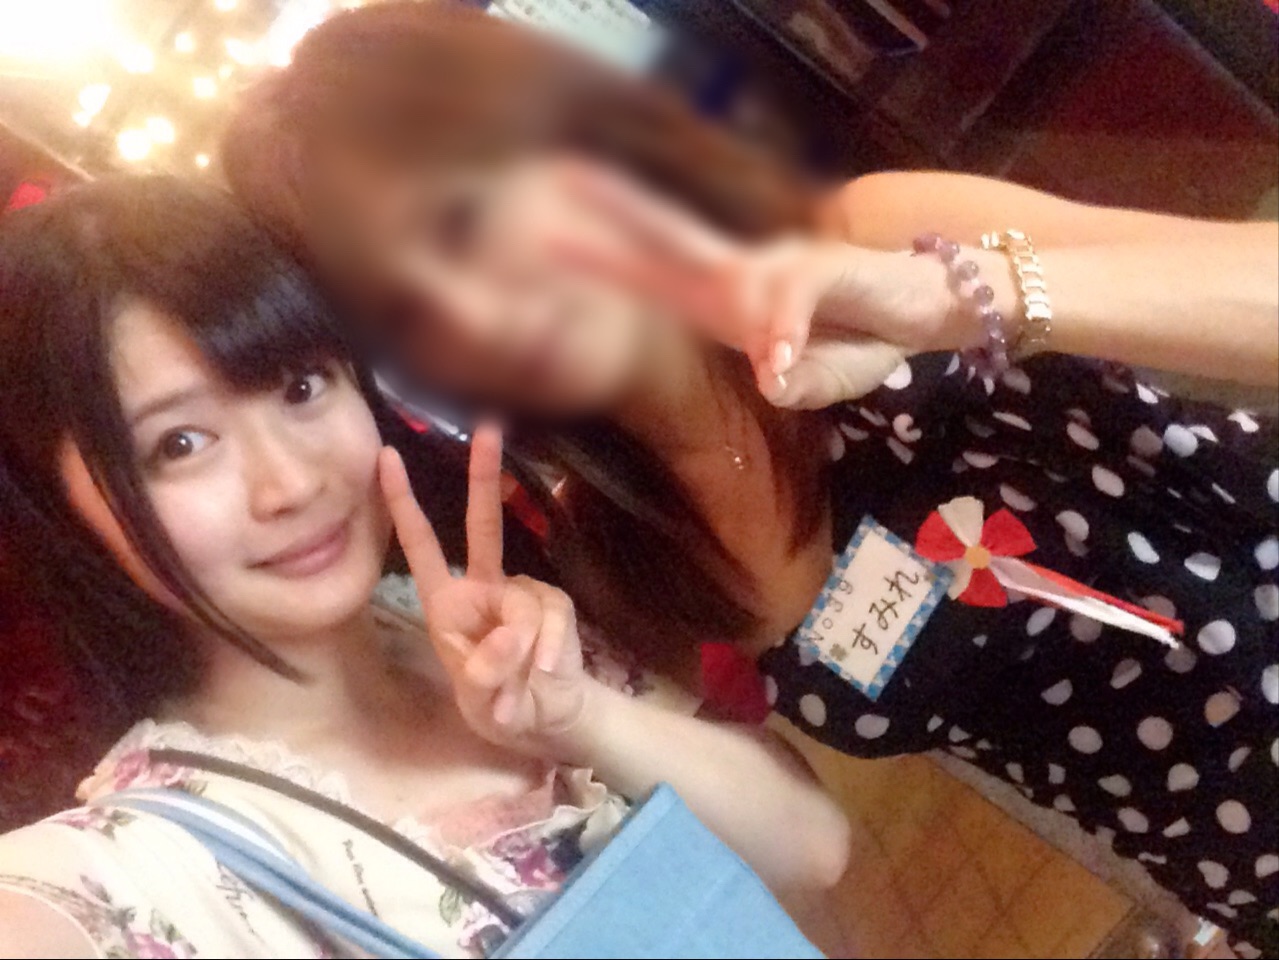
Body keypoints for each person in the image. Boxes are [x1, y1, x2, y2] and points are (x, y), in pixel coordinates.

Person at [221, 4, 1278, 954]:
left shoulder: (868, 241)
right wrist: (564, 713)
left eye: (468, 221)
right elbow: (804, 844)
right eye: (407, 306)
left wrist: (968, 299)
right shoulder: (622, 552)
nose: (474, 311)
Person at [0, 177, 851, 958]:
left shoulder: (461, 623)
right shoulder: (144, 868)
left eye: (300, 386)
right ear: (62, 518)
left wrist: (581, 718)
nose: (290, 483)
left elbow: (815, 845)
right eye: (179, 444)